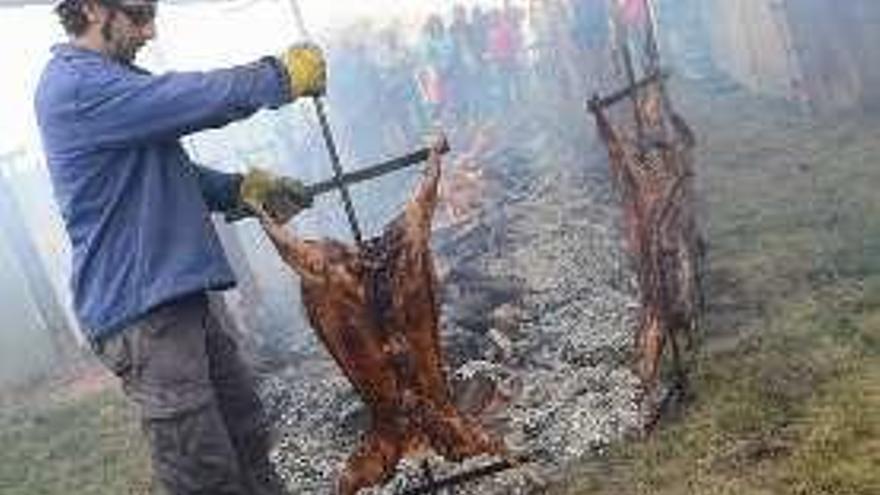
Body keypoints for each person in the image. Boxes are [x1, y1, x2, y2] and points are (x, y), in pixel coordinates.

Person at [34, 1, 325, 493]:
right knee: (203, 472)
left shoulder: (109, 81)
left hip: (180, 297)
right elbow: (186, 98)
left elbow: (161, 176)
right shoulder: (75, 87)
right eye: (138, 13)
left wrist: (238, 189)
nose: (150, 29)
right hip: (142, 313)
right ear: (88, 8)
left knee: (247, 436)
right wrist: (276, 78)